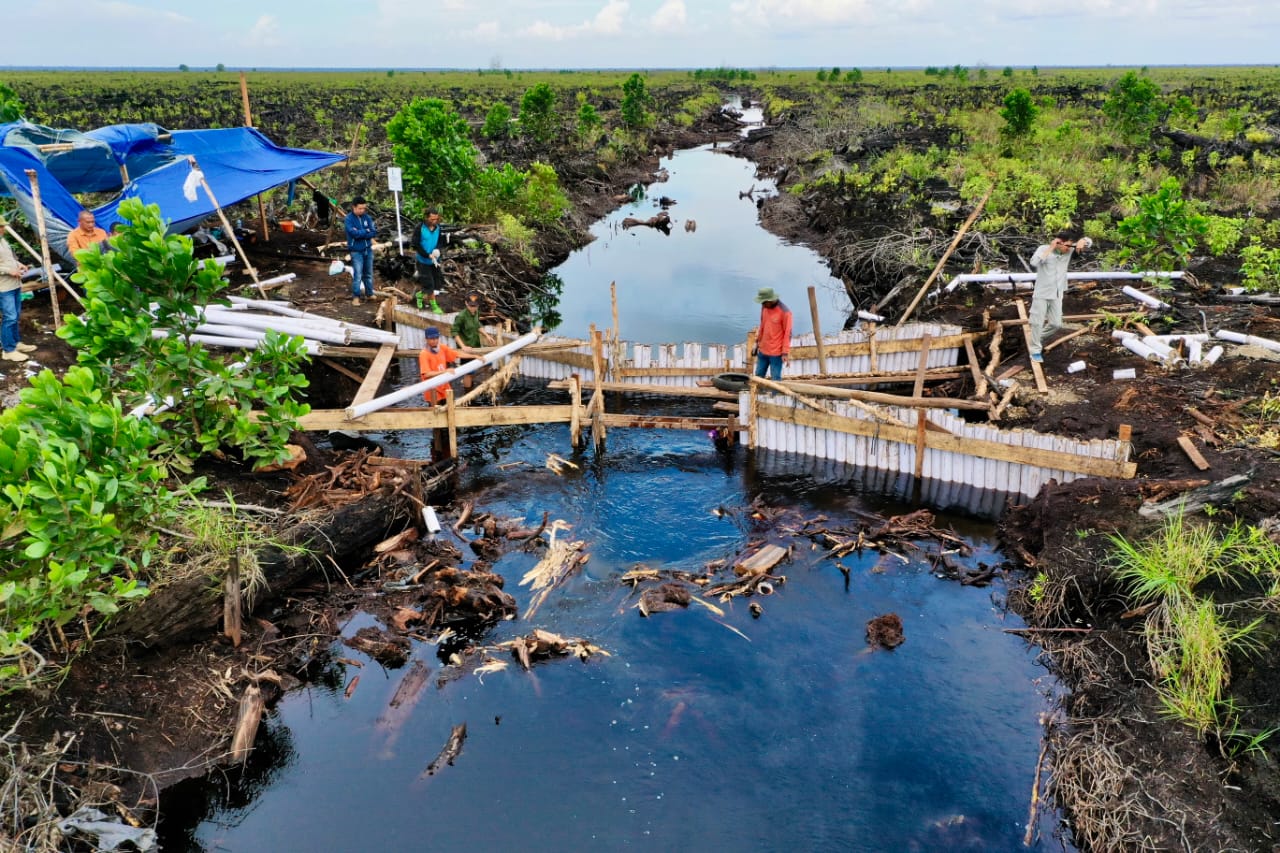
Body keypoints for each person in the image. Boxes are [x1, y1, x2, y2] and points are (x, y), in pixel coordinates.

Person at [1028, 230, 1092, 362]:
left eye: (1071, 245)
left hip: (1057, 292)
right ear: (1059, 242)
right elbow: (1034, 263)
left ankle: (1036, 339)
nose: (1069, 249)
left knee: (1056, 324)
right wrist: (1051, 247)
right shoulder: (1044, 249)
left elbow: (1089, 244)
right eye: (1067, 245)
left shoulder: (1068, 252)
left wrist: (1083, 240)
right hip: (1042, 292)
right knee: (1037, 322)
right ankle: (1034, 350)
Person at [0, 218, 34, 363]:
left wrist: (20, 265)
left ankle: (15, 343)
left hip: (14, 284)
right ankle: (8, 350)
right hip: (3, 287)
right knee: (10, 317)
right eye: (1, 226)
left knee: (16, 315)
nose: (4, 229)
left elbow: (8, 258)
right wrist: (9, 271)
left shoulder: (3, 241)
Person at [451, 292, 494, 391]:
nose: (473, 308)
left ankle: (469, 379)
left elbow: (477, 325)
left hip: (476, 347)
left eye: (475, 306)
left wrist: (487, 336)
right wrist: (463, 347)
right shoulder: (461, 317)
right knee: (469, 373)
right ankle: (468, 393)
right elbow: (454, 332)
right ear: (466, 303)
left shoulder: (476, 313)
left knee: (488, 364)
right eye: (471, 306)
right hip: (466, 350)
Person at [752, 287, 793, 380]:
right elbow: (762, 325)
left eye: (763, 302)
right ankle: (757, 394)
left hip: (776, 353)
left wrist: (785, 353)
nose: (762, 304)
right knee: (758, 377)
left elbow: (788, 334)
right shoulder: (764, 307)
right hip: (763, 350)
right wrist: (757, 342)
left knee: (776, 379)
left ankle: (776, 395)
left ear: (770, 300)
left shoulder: (785, 312)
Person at [344, 196, 377, 305]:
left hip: (368, 249)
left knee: (368, 273)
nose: (362, 210)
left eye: (364, 208)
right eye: (360, 208)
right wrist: (365, 232)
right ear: (354, 207)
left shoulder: (367, 217)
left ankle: (369, 293)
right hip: (356, 251)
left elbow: (373, 232)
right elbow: (353, 234)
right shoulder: (349, 219)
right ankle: (356, 297)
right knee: (358, 274)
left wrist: (361, 232)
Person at [418, 326, 460, 405]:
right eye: (432, 339)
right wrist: (445, 371)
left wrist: (475, 356)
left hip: (444, 385)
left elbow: (457, 354)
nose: (434, 341)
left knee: (451, 406)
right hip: (432, 388)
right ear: (426, 339)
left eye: (436, 338)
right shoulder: (424, 354)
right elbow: (427, 374)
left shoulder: (442, 347)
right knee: (436, 411)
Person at [412, 206, 445, 298]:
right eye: (432, 219)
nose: (434, 221)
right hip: (423, 260)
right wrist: (427, 255)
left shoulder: (438, 228)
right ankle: (421, 297)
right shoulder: (420, 228)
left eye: (436, 219)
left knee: (437, 281)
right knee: (428, 283)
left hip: (435, 260)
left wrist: (438, 249)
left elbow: (441, 242)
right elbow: (415, 244)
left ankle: (433, 298)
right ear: (426, 218)